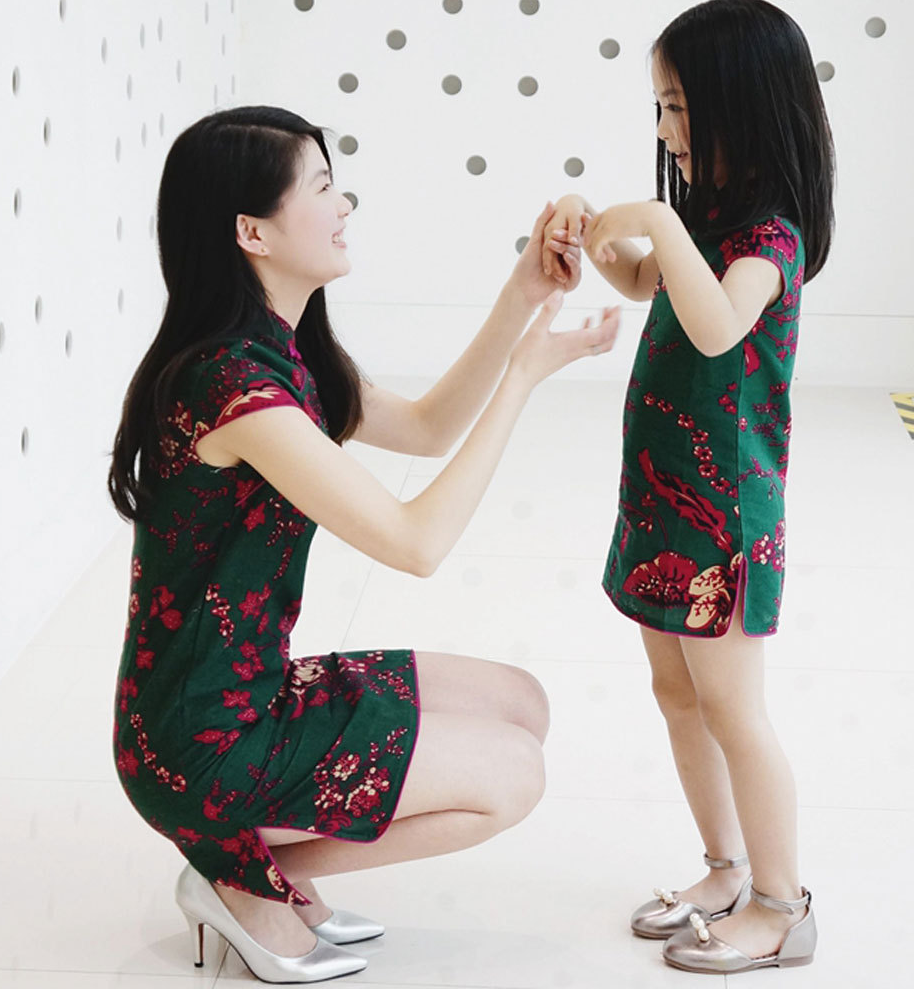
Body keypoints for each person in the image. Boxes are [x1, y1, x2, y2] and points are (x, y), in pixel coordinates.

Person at [108, 105, 619, 984]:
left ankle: (249, 870)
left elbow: (426, 428)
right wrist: (526, 377)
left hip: (248, 694)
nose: (343, 205)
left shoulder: (281, 352)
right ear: (252, 232)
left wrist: (523, 294)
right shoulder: (236, 390)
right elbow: (417, 544)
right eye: (321, 187)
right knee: (512, 775)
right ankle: (243, 879)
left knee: (521, 705)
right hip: (201, 745)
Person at [543, 0, 834, 976]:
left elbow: (715, 327)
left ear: (739, 106)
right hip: (661, 497)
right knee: (676, 694)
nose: (665, 127)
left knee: (734, 712)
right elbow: (645, 282)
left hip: (724, 518)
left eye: (678, 107)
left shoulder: (770, 239)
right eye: (660, 107)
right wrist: (600, 237)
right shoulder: (706, 219)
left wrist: (659, 224)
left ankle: (782, 906)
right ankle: (723, 868)